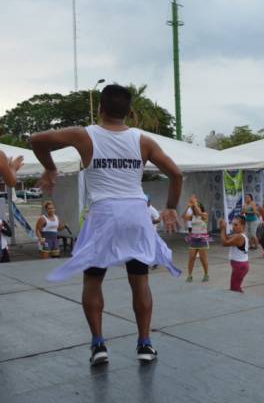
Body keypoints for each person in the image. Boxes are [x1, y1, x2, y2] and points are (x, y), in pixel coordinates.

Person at [30, 84, 182, 365]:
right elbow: (175, 173)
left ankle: (98, 345)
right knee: (140, 281)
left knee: (93, 279)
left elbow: (37, 139)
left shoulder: (84, 135)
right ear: (130, 112)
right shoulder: (143, 141)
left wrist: (50, 168)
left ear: (100, 109)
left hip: (104, 214)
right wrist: (171, 207)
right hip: (136, 215)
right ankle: (145, 344)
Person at [219, 217, 249, 292]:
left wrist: (223, 229)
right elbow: (227, 238)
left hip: (240, 265)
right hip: (239, 265)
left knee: (234, 288)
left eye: (236, 225)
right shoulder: (237, 235)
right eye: (232, 224)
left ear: (242, 226)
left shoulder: (239, 236)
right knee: (235, 287)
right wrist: (223, 228)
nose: (233, 227)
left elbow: (224, 243)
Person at [183, 198, 210, 283]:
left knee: (203, 258)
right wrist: (187, 207)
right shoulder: (193, 217)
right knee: (191, 258)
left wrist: (194, 203)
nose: (195, 208)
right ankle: (189, 275)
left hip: (202, 239)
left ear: (200, 207)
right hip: (193, 239)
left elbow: (200, 213)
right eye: (194, 208)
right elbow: (183, 216)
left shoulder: (204, 215)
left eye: (196, 207)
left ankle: (206, 274)